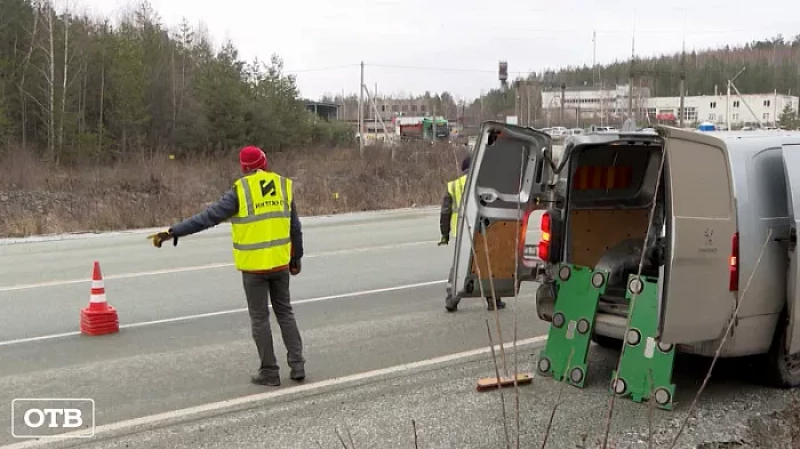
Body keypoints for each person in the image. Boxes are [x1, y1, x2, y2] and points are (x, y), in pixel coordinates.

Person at [147, 146, 305, 387]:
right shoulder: (284, 185)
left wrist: (173, 231)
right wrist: (296, 258)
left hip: (254, 269)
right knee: (285, 312)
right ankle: (297, 365)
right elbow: (294, 227)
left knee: (260, 318)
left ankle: (270, 372)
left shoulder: (240, 191)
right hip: (280, 264)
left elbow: (207, 218)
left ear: (243, 168)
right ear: (265, 162)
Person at [439, 155, 506, 313]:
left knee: (459, 266)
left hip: (462, 232)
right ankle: (493, 301)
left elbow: (445, 213)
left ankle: (452, 300)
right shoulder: (485, 183)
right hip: (483, 230)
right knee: (488, 264)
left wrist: (445, 234)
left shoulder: (453, 185)